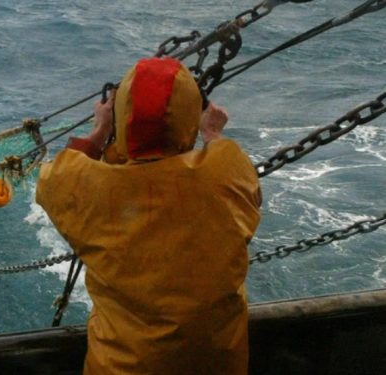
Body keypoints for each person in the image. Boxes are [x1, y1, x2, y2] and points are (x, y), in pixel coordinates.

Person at [36, 57, 262, 374]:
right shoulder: (227, 172)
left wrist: (101, 128)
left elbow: (54, 179)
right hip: (216, 365)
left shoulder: (85, 189)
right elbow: (237, 172)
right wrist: (211, 132)